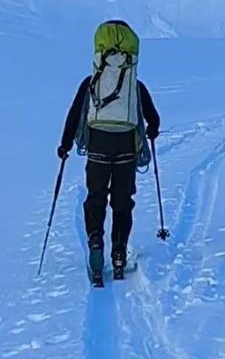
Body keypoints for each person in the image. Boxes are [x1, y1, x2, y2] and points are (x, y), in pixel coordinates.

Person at [58, 20, 160, 283]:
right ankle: (118, 252)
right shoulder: (134, 85)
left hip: (98, 147)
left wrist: (65, 145)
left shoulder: (91, 83)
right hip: (126, 147)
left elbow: (74, 115)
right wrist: (151, 132)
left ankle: (95, 242)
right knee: (122, 201)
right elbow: (153, 119)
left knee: (96, 197)